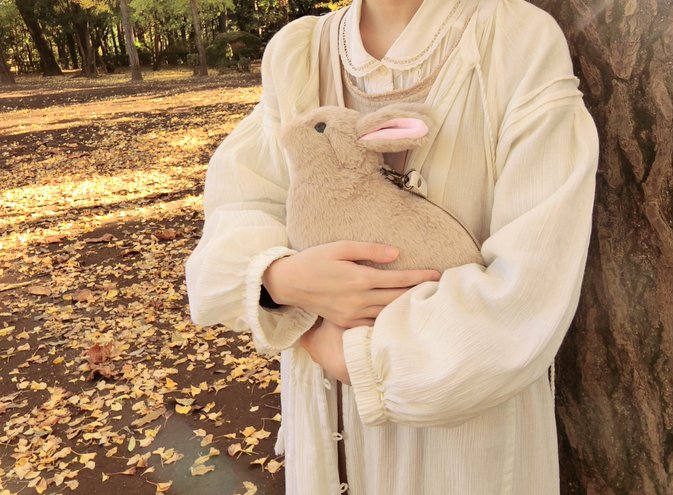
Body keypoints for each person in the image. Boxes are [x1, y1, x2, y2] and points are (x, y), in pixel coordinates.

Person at [185, 0, 599, 493]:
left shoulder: (516, 40)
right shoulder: (300, 53)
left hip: (465, 438)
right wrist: (280, 279)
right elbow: (241, 201)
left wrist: (342, 350)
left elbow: (531, 287)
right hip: (324, 422)